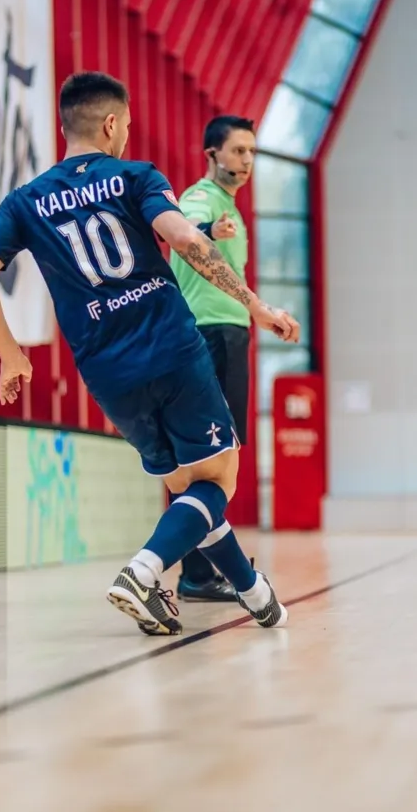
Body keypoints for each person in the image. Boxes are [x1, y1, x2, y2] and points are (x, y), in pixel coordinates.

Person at [0, 71, 300, 637]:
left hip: (108, 373)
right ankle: (145, 570)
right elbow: (188, 240)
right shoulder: (134, 177)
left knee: (184, 486)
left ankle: (253, 592)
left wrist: (11, 354)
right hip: (171, 349)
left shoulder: (25, 202)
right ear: (113, 123)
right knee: (219, 479)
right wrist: (254, 305)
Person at [169, 115, 257, 603]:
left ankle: (201, 570)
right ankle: (197, 573)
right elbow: (184, 225)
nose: (245, 161)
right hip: (211, 335)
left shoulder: (232, 208)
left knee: (222, 456)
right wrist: (208, 229)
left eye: (250, 152)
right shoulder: (205, 199)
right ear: (212, 154)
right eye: (237, 151)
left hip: (230, 333)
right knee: (214, 457)